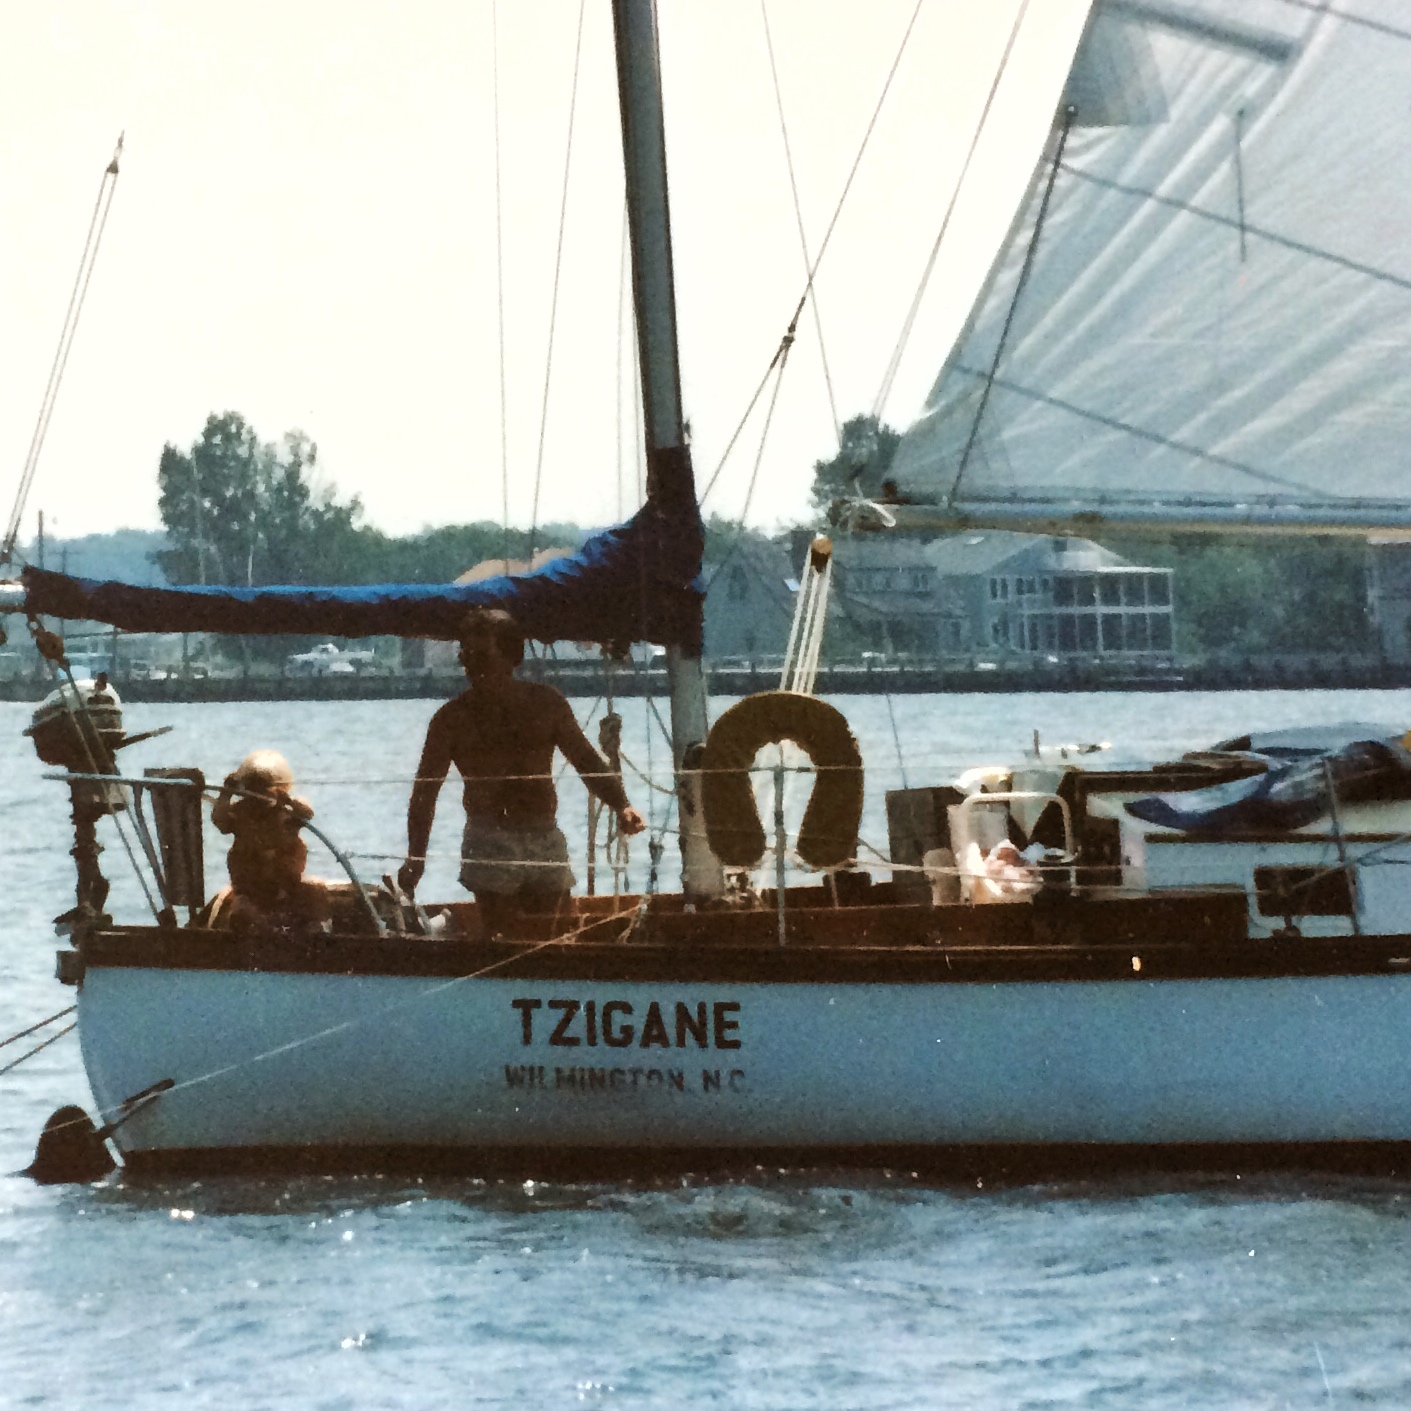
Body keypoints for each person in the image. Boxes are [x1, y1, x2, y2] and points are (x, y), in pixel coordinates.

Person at [398, 608, 645, 933]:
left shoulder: (546, 704)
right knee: (502, 937)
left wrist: (622, 805)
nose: (472, 666)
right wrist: (416, 859)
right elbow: (425, 793)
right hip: (489, 837)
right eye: (466, 656)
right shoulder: (451, 720)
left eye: (482, 656)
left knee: (558, 932)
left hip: (544, 835)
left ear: (511, 656)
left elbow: (587, 761)